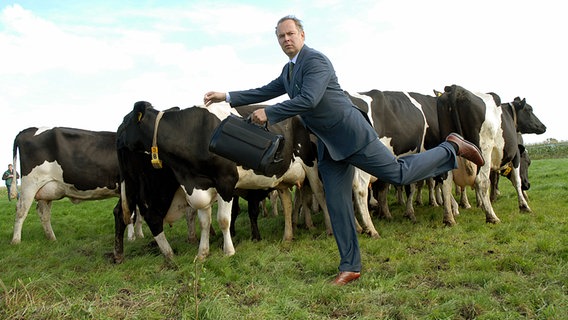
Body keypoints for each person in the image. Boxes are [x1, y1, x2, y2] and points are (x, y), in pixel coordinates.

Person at [204, 15, 484, 286]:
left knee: (398, 173)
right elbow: (264, 90)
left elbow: (309, 100)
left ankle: (451, 147)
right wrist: (227, 96)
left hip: (351, 135)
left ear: (302, 35)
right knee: (337, 205)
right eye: (281, 36)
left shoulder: (316, 61)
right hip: (328, 145)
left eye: (290, 33)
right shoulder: (289, 70)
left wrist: (271, 113)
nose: (286, 39)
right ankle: (350, 267)